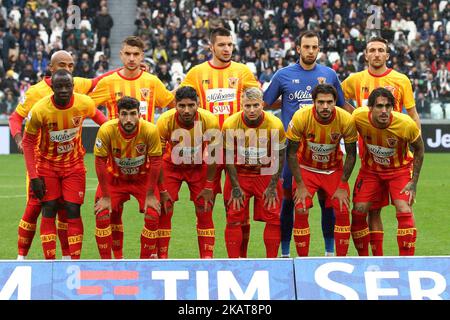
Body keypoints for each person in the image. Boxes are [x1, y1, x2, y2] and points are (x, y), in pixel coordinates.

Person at [8, 50, 108, 260]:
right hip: (42, 164)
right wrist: (19, 143)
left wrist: (123, 69)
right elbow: (16, 118)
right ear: (51, 71)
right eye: (62, 65)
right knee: (38, 208)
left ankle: (67, 260)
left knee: (68, 210)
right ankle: (21, 259)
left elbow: (98, 84)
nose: (67, 69)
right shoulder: (37, 99)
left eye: (71, 65)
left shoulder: (81, 98)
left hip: (73, 166)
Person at [177, 27, 260, 257]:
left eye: (230, 45)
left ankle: (240, 258)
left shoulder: (242, 71)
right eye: (222, 45)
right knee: (205, 206)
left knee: (237, 207)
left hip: (238, 149)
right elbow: (175, 99)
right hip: (208, 150)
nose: (227, 49)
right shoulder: (196, 73)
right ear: (211, 46)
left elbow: (258, 102)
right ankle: (208, 260)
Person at [89, 36, 174, 259]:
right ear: (121, 55)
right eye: (127, 54)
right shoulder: (108, 83)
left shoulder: (152, 82)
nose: (132, 58)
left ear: (142, 56)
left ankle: (145, 262)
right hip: (114, 165)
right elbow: (86, 106)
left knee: (155, 211)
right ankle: (114, 262)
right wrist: (105, 124)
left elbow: (172, 104)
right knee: (109, 213)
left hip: (145, 165)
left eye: (136, 54)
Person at [263, 31, 346, 257]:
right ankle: (286, 254)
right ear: (298, 49)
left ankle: (330, 253)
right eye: (306, 47)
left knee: (327, 201)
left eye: (314, 47)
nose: (310, 51)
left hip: (325, 148)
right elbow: (264, 103)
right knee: (290, 200)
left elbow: (342, 106)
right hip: (294, 150)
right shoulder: (283, 75)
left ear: (319, 49)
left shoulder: (329, 74)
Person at [341, 36, 421, 256]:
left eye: (380, 50)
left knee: (403, 208)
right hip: (370, 163)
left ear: (387, 55)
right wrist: (355, 118)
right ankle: (372, 261)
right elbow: (338, 98)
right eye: (372, 50)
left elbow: (412, 114)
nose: (376, 54)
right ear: (365, 55)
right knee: (369, 212)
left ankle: (407, 263)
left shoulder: (400, 79)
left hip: (398, 162)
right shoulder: (355, 80)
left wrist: (415, 140)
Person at [285, 84, 357, 256]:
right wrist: (300, 185)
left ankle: (341, 259)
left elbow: (352, 155)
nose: (325, 107)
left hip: (333, 170)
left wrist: (342, 185)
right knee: (301, 208)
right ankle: (303, 261)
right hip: (306, 169)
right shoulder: (301, 117)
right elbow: (291, 153)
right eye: (321, 102)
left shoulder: (346, 119)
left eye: (330, 102)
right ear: (314, 102)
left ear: (335, 102)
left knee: (342, 208)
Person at [351, 88, 424, 256]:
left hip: (400, 170)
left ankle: (406, 261)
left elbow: (419, 150)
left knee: (404, 208)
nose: (384, 110)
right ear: (370, 107)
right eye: (379, 106)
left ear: (393, 107)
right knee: (359, 210)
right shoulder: (358, 117)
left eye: (388, 106)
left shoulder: (405, 124)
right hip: (370, 171)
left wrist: (414, 182)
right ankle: (366, 260)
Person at [93, 96, 162, 259]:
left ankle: (144, 263)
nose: (128, 119)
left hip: (142, 179)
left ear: (140, 114)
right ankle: (108, 263)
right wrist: (105, 196)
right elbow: (100, 163)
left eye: (132, 114)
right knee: (102, 214)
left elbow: (156, 162)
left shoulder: (150, 130)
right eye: (124, 114)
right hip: (114, 179)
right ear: (117, 115)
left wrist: (151, 194)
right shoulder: (106, 129)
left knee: (153, 214)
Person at [156, 86, 220, 259]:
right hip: (171, 167)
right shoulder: (164, 121)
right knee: (164, 209)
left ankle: (207, 259)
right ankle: (162, 258)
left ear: (198, 104)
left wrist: (209, 185)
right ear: (175, 105)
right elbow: (157, 158)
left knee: (204, 209)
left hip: (198, 168)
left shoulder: (210, 120)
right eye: (182, 106)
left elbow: (214, 155)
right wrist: (161, 189)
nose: (186, 110)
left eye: (191, 105)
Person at [222, 87, 285, 258]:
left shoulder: (275, 124)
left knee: (273, 217)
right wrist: (235, 187)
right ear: (241, 105)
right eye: (247, 106)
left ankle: (272, 262)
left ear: (262, 105)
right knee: (234, 217)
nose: (251, 110)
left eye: (255, 105)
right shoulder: (230, 124)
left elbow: (280, 155)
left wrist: (273, 186)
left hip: (265, 174)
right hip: (239, 174)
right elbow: (227, 157)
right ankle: (235, 262)